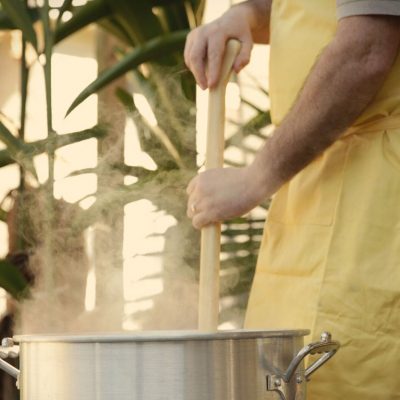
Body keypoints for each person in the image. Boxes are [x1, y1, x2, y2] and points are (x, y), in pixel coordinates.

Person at [184, 1, 400, 399]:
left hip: (378, 200)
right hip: (309, 194)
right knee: (285, 379)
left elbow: (366, 50)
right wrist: (246, 16)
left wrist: (255, 179)